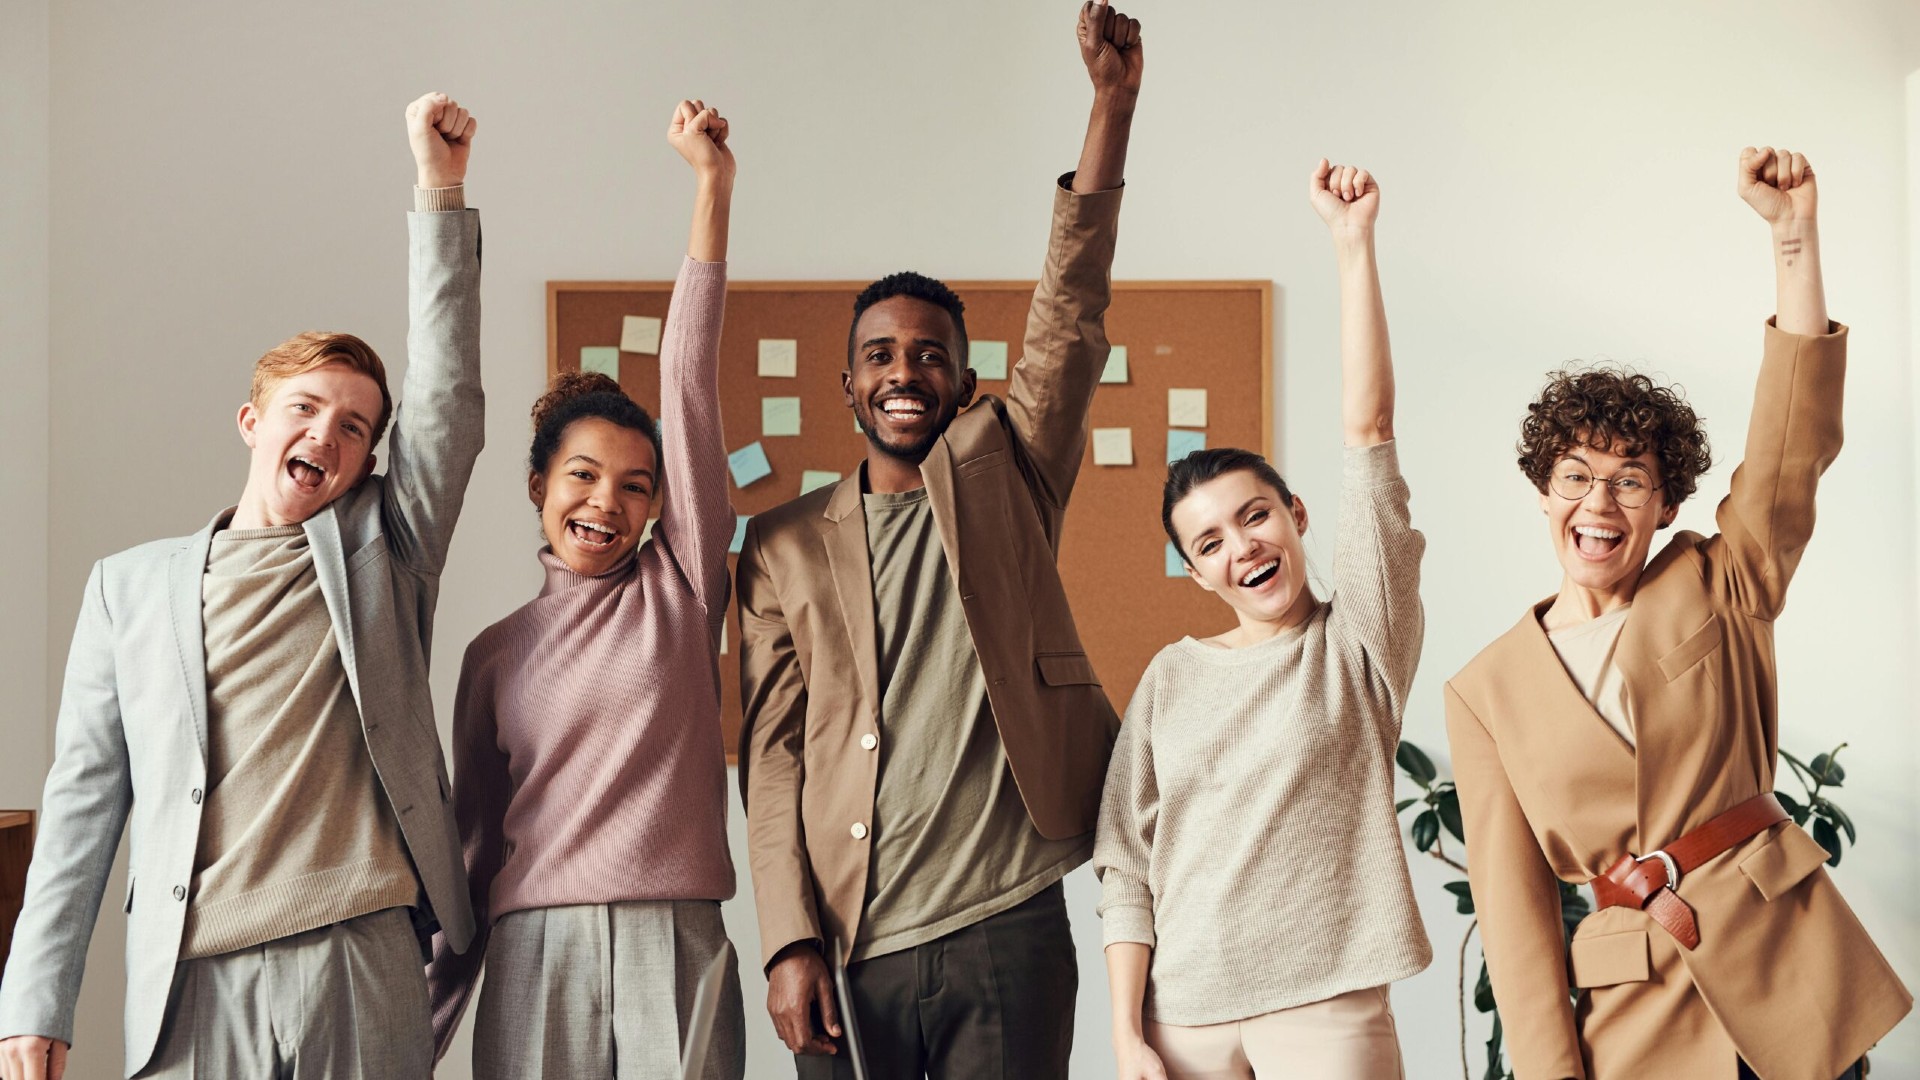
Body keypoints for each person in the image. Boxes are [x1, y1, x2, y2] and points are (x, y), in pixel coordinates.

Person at [0, 93, 485, 1080]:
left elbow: (449, 399)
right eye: (306, 409)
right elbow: (85, 806)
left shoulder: (385, 550)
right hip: (191, 974)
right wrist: (35, 999)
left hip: (361, 953)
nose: (329, 436)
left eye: (356, 426)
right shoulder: (126, 591)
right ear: (251, 421)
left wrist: (441, 190)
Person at [733, 3, 1141, 1075]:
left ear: (962, 379)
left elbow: (1070, 310)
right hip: (847, 941)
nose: (903, 373)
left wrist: (1111, 108)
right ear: (849, 385)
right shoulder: (779, 545)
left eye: (927, 355)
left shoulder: (1008, 468)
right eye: (879, 356)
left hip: (1006, 926)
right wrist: (785, 941)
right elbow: (770, 759)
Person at [1444, 148, 1912, 1080]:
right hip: (1639, 1016)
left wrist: (1793, 241)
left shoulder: (1719, 578)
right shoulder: (1484, 691)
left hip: (1788, 969)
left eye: (1630, 482)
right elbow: (1515, 913)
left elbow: (1794, 448)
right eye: (1575, 477)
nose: (1599, 504)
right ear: (1543, 493)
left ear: (1666, 506)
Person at [423, 98, 744, 1080]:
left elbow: (684, 378)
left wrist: (710, 186)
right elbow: (472, 856)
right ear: (538, 486)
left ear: (660, 507)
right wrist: (419, 1033)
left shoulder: (682, 590)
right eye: (583, 476)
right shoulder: (493, 655)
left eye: (636, 485)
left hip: (674, 940)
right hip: (532, 951)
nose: (607, 501)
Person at [1095, 161, 1430, 1080]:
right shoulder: (1172, 676)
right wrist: (1129, 1037)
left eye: (1254, 516)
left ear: (1295, 516)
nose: (1240, 547)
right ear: (1197, 572)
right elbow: (1125, 864)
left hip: (1325, 1009)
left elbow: (1370, 433)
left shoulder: (1358, 644)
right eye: (1208, 543)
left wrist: (1351, 245)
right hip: (1183, 1021)